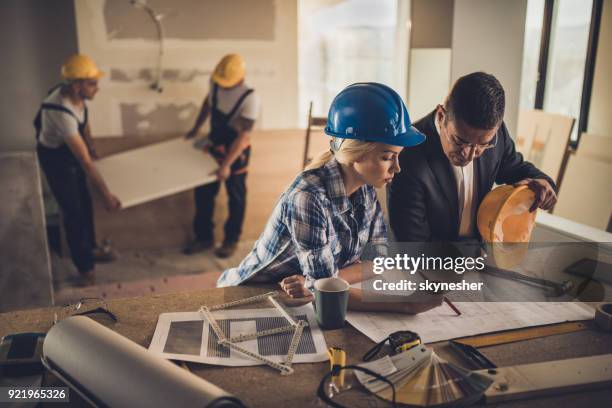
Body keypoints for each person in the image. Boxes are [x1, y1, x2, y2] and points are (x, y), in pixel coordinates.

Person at [218, 83, 442, 314]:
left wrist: (316, 281)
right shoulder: (307, 198)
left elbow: (377, 261)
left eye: (398, 157)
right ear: (356, 152)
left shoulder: (365, 190)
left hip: (290, 296)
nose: (397, 168)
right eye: (387, 157)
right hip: (246, 295)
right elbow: (327, 293)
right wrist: (405, 303)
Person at [388, 72, 557, 243]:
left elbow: (517, 169)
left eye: (483, 144)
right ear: (441, 116)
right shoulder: (407, 153)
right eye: (460, 141)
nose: (469, 155)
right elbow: (412, 245)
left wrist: (542, 185)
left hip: (478, 258)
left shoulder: (495, 135)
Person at [35, 54, 121, 286]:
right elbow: (85, 163)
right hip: (55, 158)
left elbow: (84, 123)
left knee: (84, 201)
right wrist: (107, 196)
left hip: (68, 149)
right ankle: (85, 270)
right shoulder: (61, 112)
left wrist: (91, 146)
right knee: (73, 211)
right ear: (76, 86)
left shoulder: (77, 97)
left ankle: (91, 250)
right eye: (92, 83)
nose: (97, 88)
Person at [184, 54, 259, 258]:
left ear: (241, 79)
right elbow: (208, 103)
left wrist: (226, 165)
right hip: (213, 145)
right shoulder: (215, 83)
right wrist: (196, 128)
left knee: (236, 197)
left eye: (228, 84)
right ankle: (204, 238)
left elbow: (243, 137)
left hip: (236, 151)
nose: (223, 87)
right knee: (203, 194)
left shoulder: (250, 98)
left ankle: (230, 240)